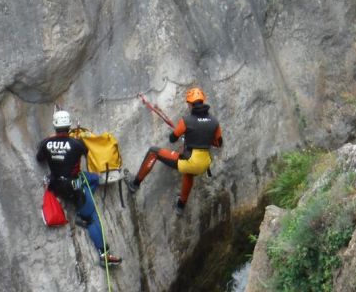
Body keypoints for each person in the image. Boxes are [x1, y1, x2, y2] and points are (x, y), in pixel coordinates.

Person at [37, 110, 122, 265]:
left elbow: (40, 158)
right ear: (69, 125)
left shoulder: (45, 143)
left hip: (55, 184)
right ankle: (104, 254)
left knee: (93, 179)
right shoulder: (76, 144)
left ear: (55, 126)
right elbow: (87, 152)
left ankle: (83, 206)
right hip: (73, 187)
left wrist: (51, 144)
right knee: (92, 217)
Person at [125, 87, 223, 215]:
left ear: (190, 104)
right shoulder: (214, 121)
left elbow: (172, 139)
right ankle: (180, 206)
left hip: (190, 161)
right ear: (203, 102)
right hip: (204, 164)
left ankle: (134, 184)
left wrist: (187, 134)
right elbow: (218, 143)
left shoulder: (186, 121)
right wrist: (202, 138)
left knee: (153, 152)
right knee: (189, 173)